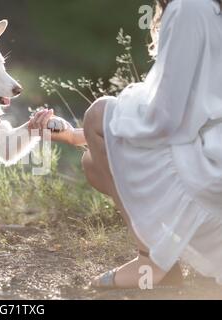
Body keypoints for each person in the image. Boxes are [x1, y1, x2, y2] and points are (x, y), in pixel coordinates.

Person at [29, 0, 222, 288]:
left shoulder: (189, 7)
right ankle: (165, 257)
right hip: (208, 154)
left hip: (211, 168)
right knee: (93, 163)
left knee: (99, 112)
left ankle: (152, 262)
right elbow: (183, 112)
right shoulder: (202, 7)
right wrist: (77, 135)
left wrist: (101, 121)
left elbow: (165, 120)